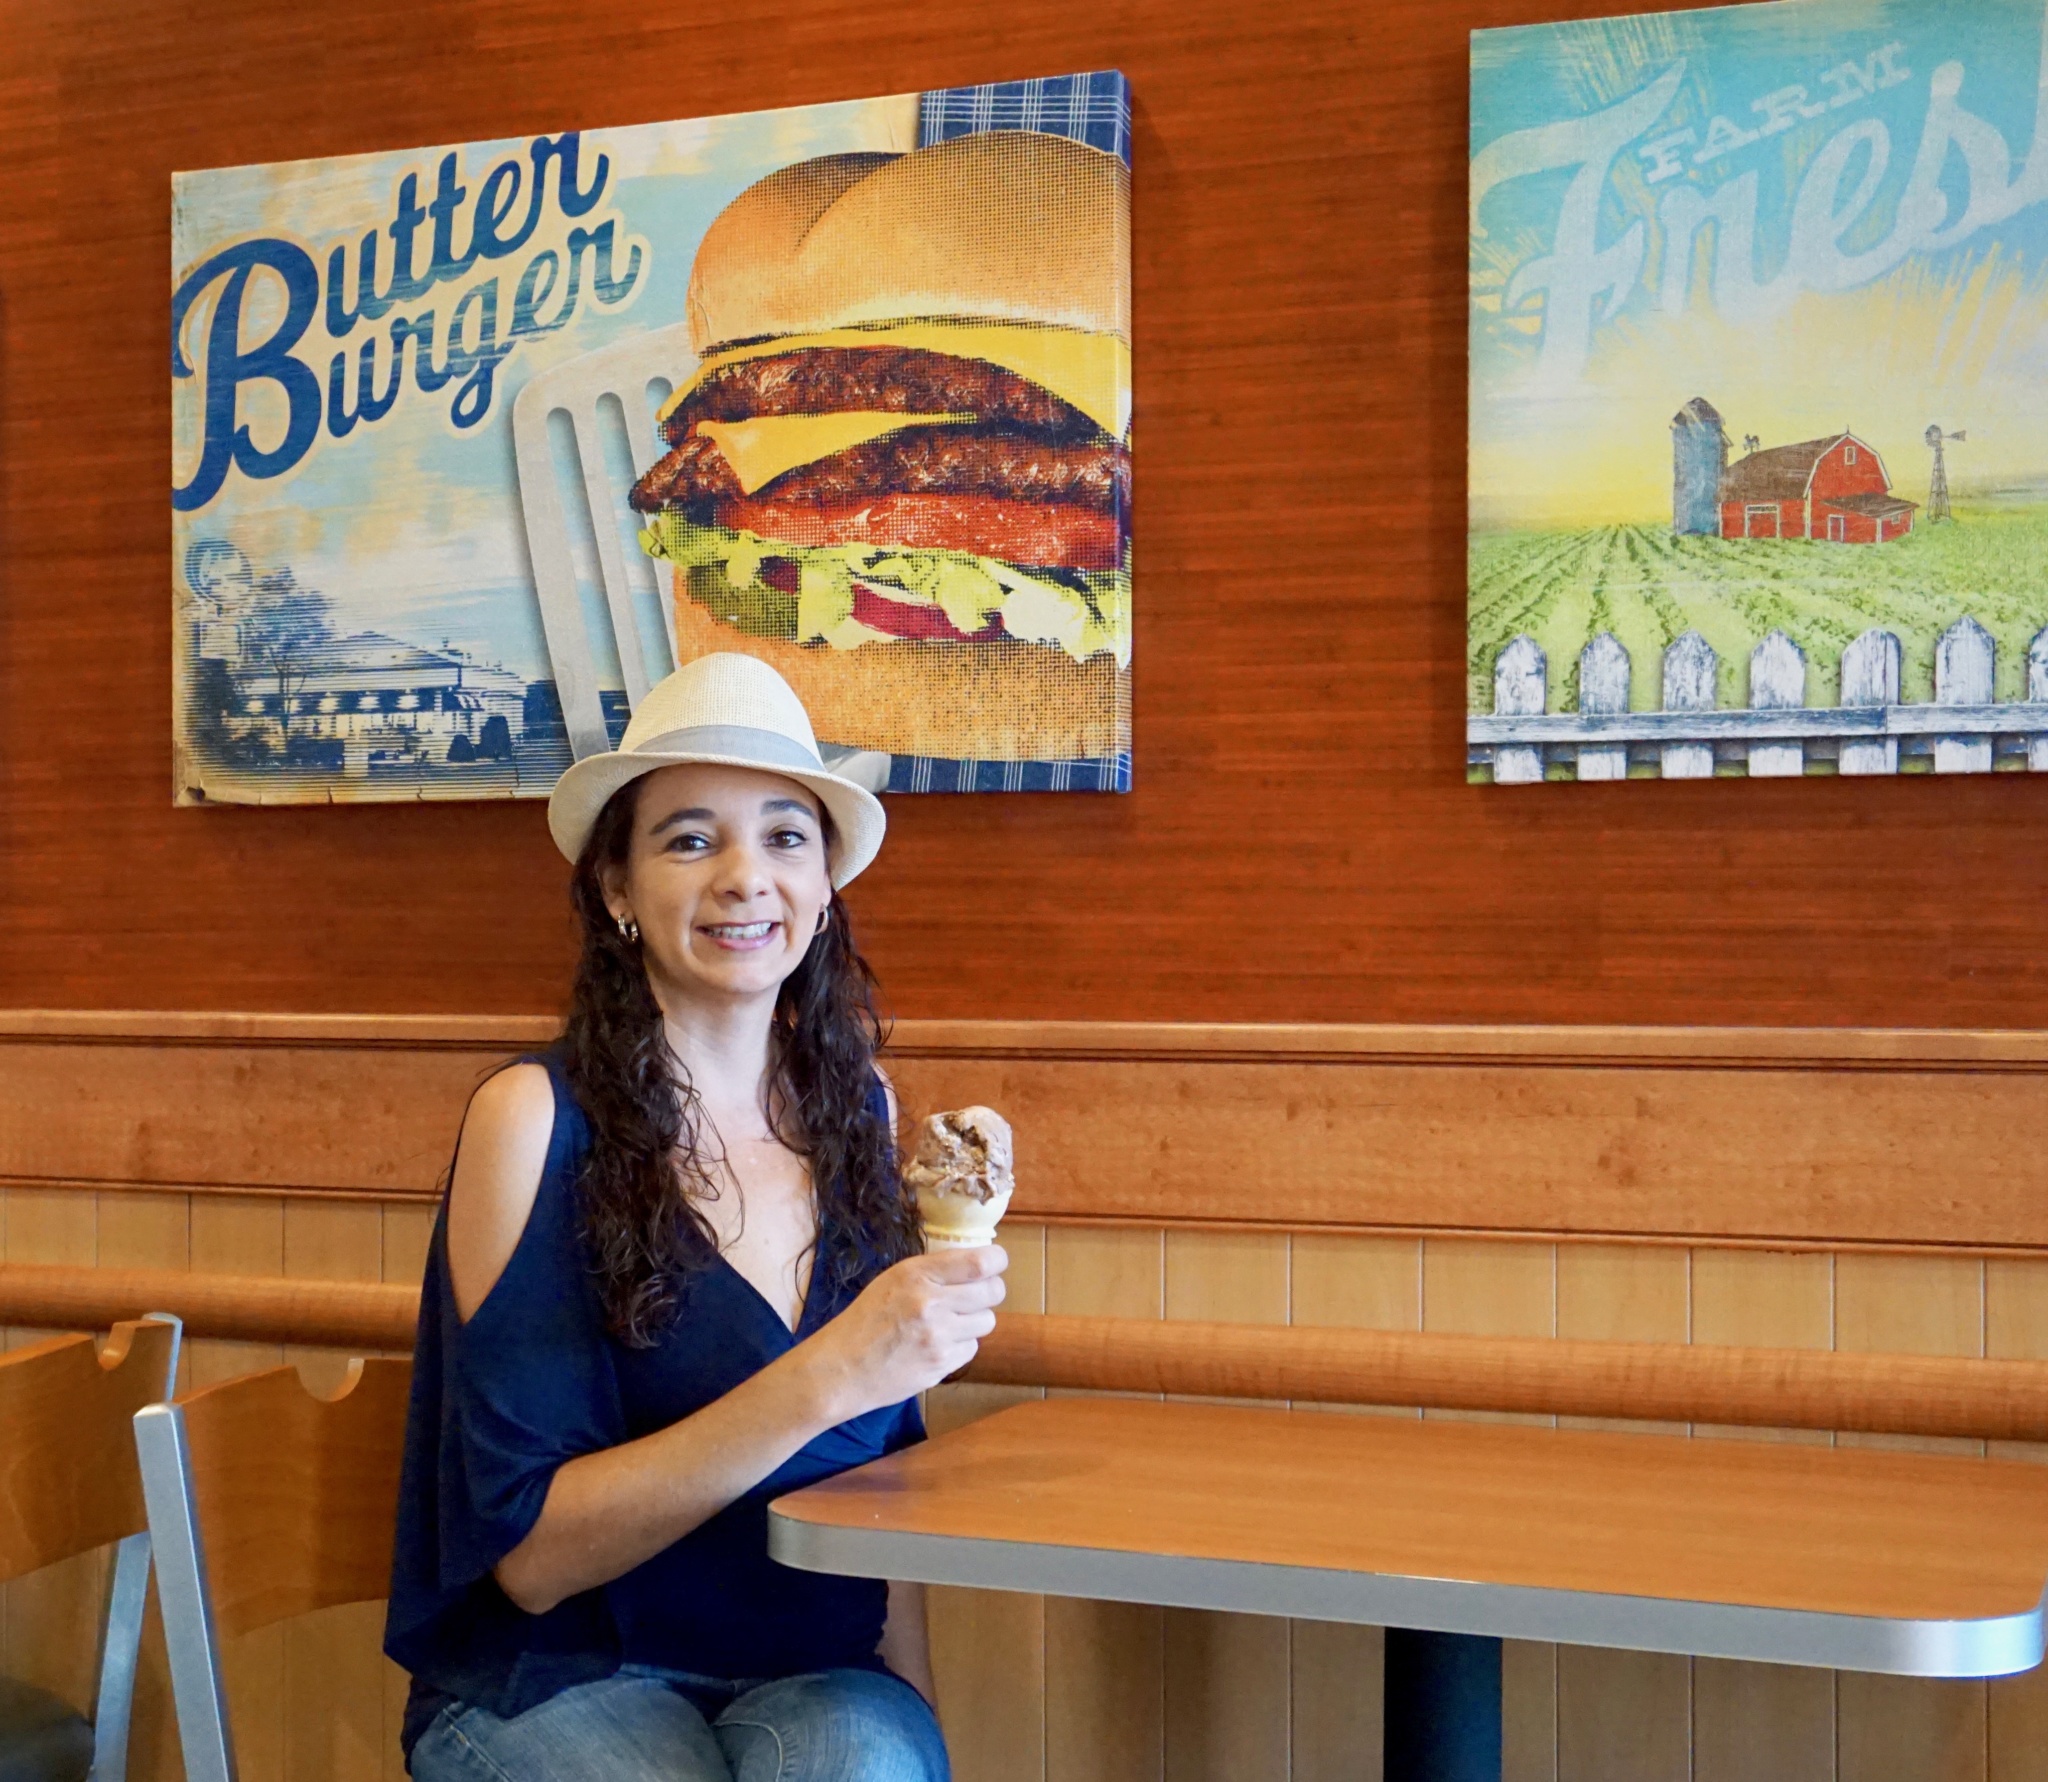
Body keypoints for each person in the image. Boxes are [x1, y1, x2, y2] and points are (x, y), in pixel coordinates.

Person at [386, 652, 1006, 1781]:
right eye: (688, 838)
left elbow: (887, 1462)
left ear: (823, 889)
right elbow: (529, 1562)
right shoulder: (531, 1118)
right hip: (557, 1674)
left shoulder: (861, 1113)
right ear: (617, 888)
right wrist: (831, 1372)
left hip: (815, 1667)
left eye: (783, 836)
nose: (743, 876)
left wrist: (915, 1710)